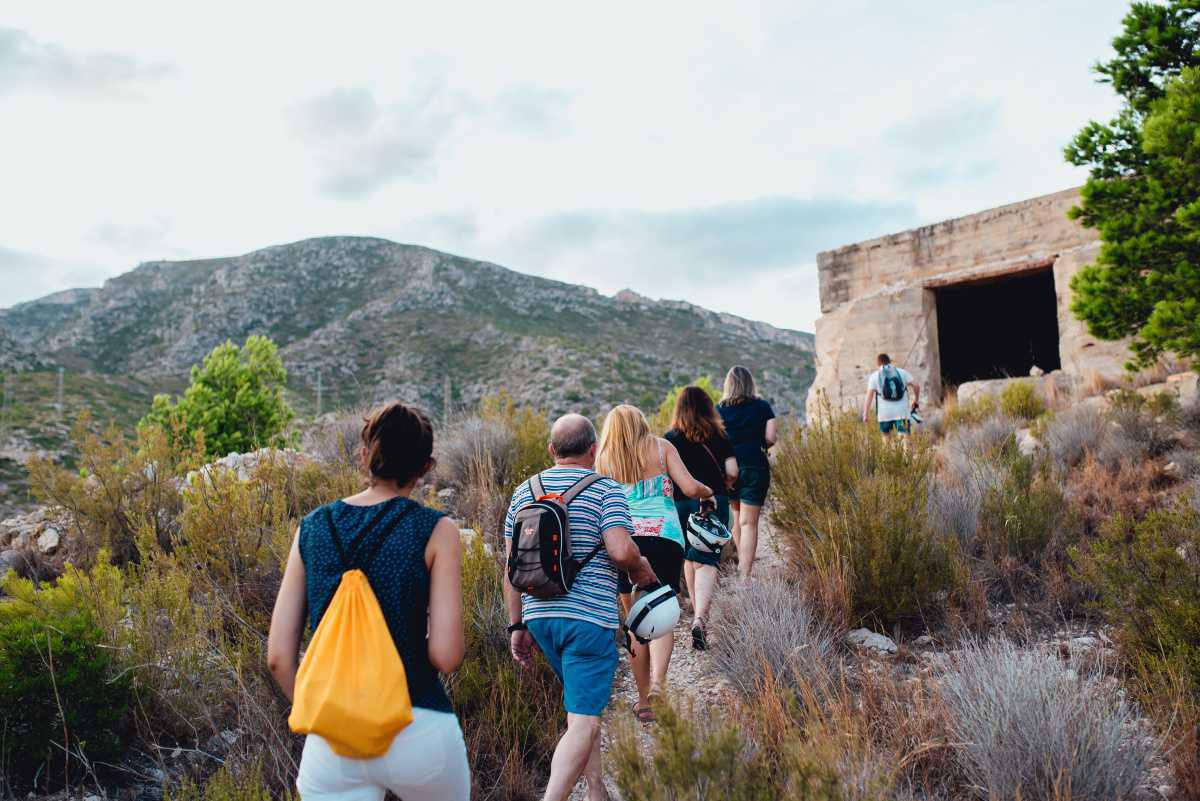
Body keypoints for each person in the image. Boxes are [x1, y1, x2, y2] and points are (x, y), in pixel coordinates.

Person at [267, 402, 470, 801]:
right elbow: (447, 655)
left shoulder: (312, 528)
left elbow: (278, 657)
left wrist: (331, 711)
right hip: (418, 724)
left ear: (365, 456)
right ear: (426, 467)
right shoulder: (436, 530)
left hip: (334, 744)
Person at [503, 414, 656, 801]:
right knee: (585, 719)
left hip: (539, 617)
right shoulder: (606, 489)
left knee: (580, 711)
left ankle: (596, 790)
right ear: (593, 450)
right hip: (588, 620)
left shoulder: (525, 491)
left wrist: (516, 625)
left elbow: (511, 570)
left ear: (552, 450)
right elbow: (621, 550)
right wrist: (642, 569)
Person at [596, 404, 715, 722]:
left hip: (623, 543)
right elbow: (690, 488)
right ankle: (660, 685)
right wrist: (708, 493)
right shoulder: (662, 448)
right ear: (641, 423)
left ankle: (644, 700)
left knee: (634, 621)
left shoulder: (604, 459)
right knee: (661, 611)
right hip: (665, 539)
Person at [663, 386, 737, 651]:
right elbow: (732, 470)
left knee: (689, 557)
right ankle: (700, 619)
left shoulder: (669, 438)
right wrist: (723, 484)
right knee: (707, 560)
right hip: (713, 501)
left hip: (680, 505)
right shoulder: (718, 435)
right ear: (708, 407)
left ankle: (696, 614)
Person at [717, 366, 777, 581]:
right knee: (749, 522)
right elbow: (771, 437)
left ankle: (742, 567)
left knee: (737, 517)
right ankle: (745, 576)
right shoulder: (762, 406)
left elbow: (715, 441)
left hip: (728, 470)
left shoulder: (719, 409)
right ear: (750, 383)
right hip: (755, 465)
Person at [862, 353, 920, 435]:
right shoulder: (902, 372)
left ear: (878, 364)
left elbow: (869, 397)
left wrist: (865, 414)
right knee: (905, 441)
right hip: (902, 413)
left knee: (886, 443)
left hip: (884, 415)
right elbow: (916, 385)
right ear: (889, 361)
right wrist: (916, 400)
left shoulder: (874, 376)